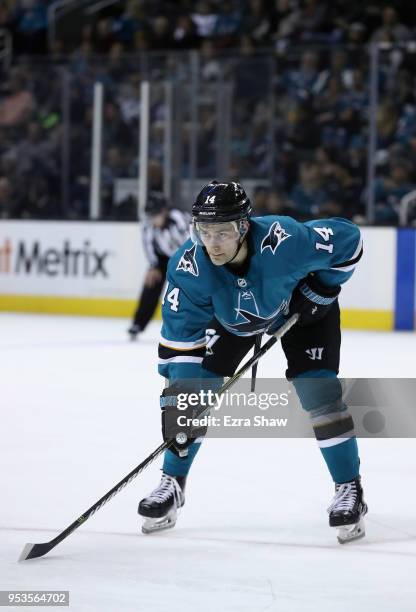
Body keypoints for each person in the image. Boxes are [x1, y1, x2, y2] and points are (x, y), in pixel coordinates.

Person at [138, 180, 367, 543]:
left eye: (223, 232)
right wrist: (183, 407)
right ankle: (172, 482)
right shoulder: (188, 269)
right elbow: (182, 345)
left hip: (300, 310)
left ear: (244, 226)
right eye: (205, 232)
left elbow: (349, 240)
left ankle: (349, 488)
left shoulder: (285, 239)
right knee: (197, 394)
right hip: (231, 321)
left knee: (318, 391)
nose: (212, 243)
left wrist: (323, 289)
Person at [128, 191, 190, 339]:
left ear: (164, 211)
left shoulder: (180, 220)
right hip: (163, 258)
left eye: (154, 215)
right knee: (151, 283)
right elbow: (148, 245)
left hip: (186, 257)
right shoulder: (147, 224)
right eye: (150, 215)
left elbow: (191, 242)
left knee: (189, 290)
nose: (152, 219)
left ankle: (192, 325)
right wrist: (153, 266)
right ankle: (138, 323)